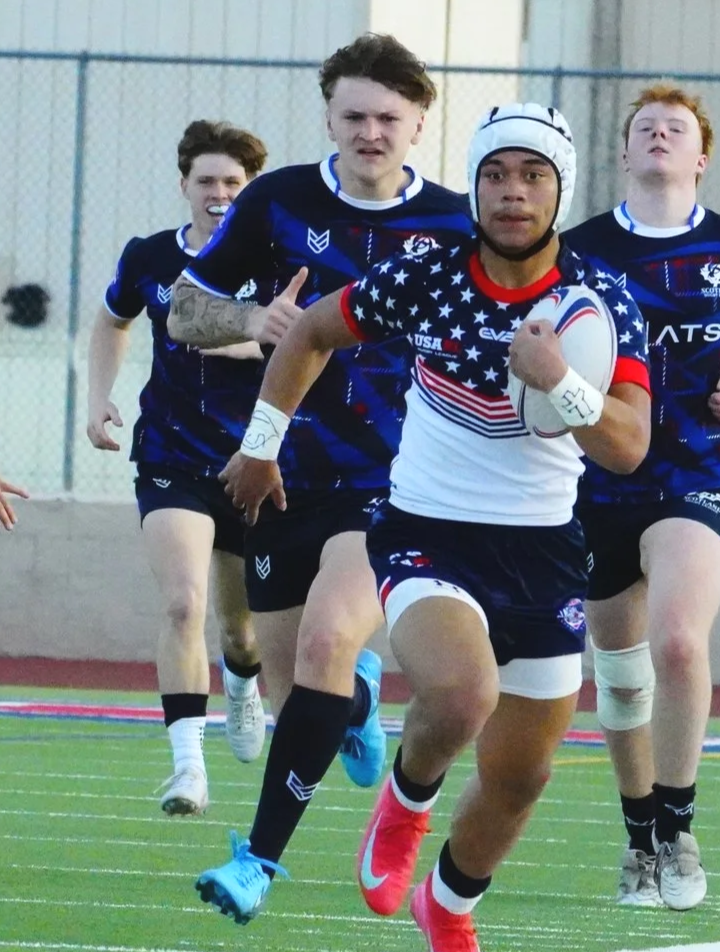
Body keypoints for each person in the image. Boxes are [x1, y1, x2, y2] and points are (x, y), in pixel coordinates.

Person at [204, 102, 653, 950]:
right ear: (474, 186)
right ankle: (406, 800)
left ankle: (446, 905)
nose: (511, 193)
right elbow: (311, 330)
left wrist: (561, 383)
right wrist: (262, 445)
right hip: (426, 531)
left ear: (560, 192)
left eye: (532, 177)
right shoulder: (428, 273)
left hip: (546, 551)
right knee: (461, 693)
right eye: (493, 175)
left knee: (521, 778)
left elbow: (628, 446)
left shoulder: (599, 301)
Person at [165, 32, 473, 915]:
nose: (370, 132)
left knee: (327, 642)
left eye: (388, 117)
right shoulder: (276, 201)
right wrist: (252, 318)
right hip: (279, 469)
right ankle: (356, 702)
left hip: (399, 479)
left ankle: (255, 863)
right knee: (290, 677)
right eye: (353, 116)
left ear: (418, 123)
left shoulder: (456, 223)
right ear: (328, 117)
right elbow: (183, 311)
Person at [564, 83, 720, 911]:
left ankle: (677, 829)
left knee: (678, 642)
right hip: (602, 476)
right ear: (626, 153)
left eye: (677, 129)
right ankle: (637, 834)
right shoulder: (578, 250)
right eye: (647, 129)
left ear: (701, 156)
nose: (661, 138)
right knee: (621, 674)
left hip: (702, 473)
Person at [86, 120, 270, 815]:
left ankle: (244, 684)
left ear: (249, 190)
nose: (219, 194)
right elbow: (112, 319)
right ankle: (188, 768)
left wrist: (247, 344)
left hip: (254, 461)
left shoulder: (280, 260)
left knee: (242, 632)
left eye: (232, 183)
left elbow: (316, 342)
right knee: (182, 601)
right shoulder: (152, 256)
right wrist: (99, 396)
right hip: (170, 454)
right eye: (207, 181)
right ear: (184, 185)